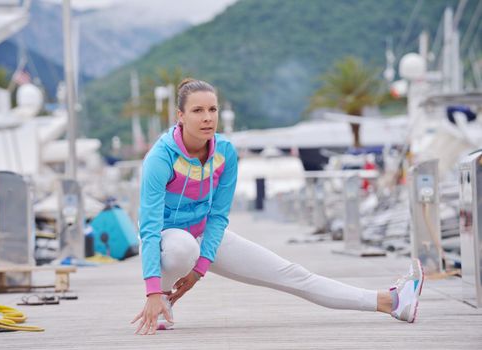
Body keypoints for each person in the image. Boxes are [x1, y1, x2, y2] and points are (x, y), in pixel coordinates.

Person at [131, 78, 424, 335]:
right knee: (183, 248)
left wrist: (199, 271)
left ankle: (392, 302)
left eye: (212, 109)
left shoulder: (225, 152)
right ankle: (162, 302)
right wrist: (154, 290)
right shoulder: (161, 157)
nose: (208, 117)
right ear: (180, 116)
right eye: (197, 110)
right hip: (166, 242)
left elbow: (219, 216)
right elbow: (150, 226)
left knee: (292, 274)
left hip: (204, 234)